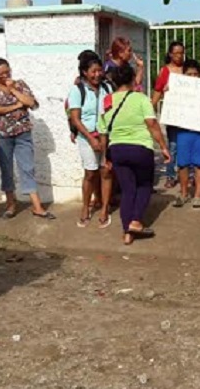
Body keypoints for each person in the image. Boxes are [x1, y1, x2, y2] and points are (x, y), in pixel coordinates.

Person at [99, 64, 172, 246]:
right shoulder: (141, 99)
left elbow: (103, 132)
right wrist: (163, 147)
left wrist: (105, 156)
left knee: (127, 190)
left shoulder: (107, 101)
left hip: (117, 150)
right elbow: (152, 124)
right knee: (144, 185)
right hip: (141, 149)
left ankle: (127, 233)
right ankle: (136, 221)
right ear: (133, 79)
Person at [0, 57, 53, 220]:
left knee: (27, 167)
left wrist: (13, 90)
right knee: (6, 169)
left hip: (22, 132)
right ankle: (10, 204)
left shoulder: (20, 85)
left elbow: (32, 103)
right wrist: (17, 106)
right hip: (1, 135)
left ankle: (37, 206)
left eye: (7, 71)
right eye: (1, 73)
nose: (5, 75)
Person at [68, 54, 114, 228]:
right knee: (90, 173)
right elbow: (75, 118)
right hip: (86, 137)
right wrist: (91, 139)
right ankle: (85, 207)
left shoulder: (107, 88)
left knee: (106, 171)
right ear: (84, 72)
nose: (97, 74)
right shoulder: (77, 90)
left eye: (99, 70)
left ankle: (104, 208)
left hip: (106, 136)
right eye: (93, 71)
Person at [172, 60, 200, 208]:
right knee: (183, 164)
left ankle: (198, 195)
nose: (193, 77)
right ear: (184, 75)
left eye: (195, 74)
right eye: (189, 74)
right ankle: (184, 193)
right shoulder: (178, 90)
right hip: (183, 131)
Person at [152, 41, 187, 188]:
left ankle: (189, 174)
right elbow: (158, 90)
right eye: (176, 53)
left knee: (187, 144)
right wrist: (151, 108)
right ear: (170, 54)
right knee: (173, 145)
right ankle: (171, 175)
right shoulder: (165, 71)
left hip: (188, 113)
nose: (179, 56)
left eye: (181, 53)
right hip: (173, 114)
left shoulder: (187, 69)